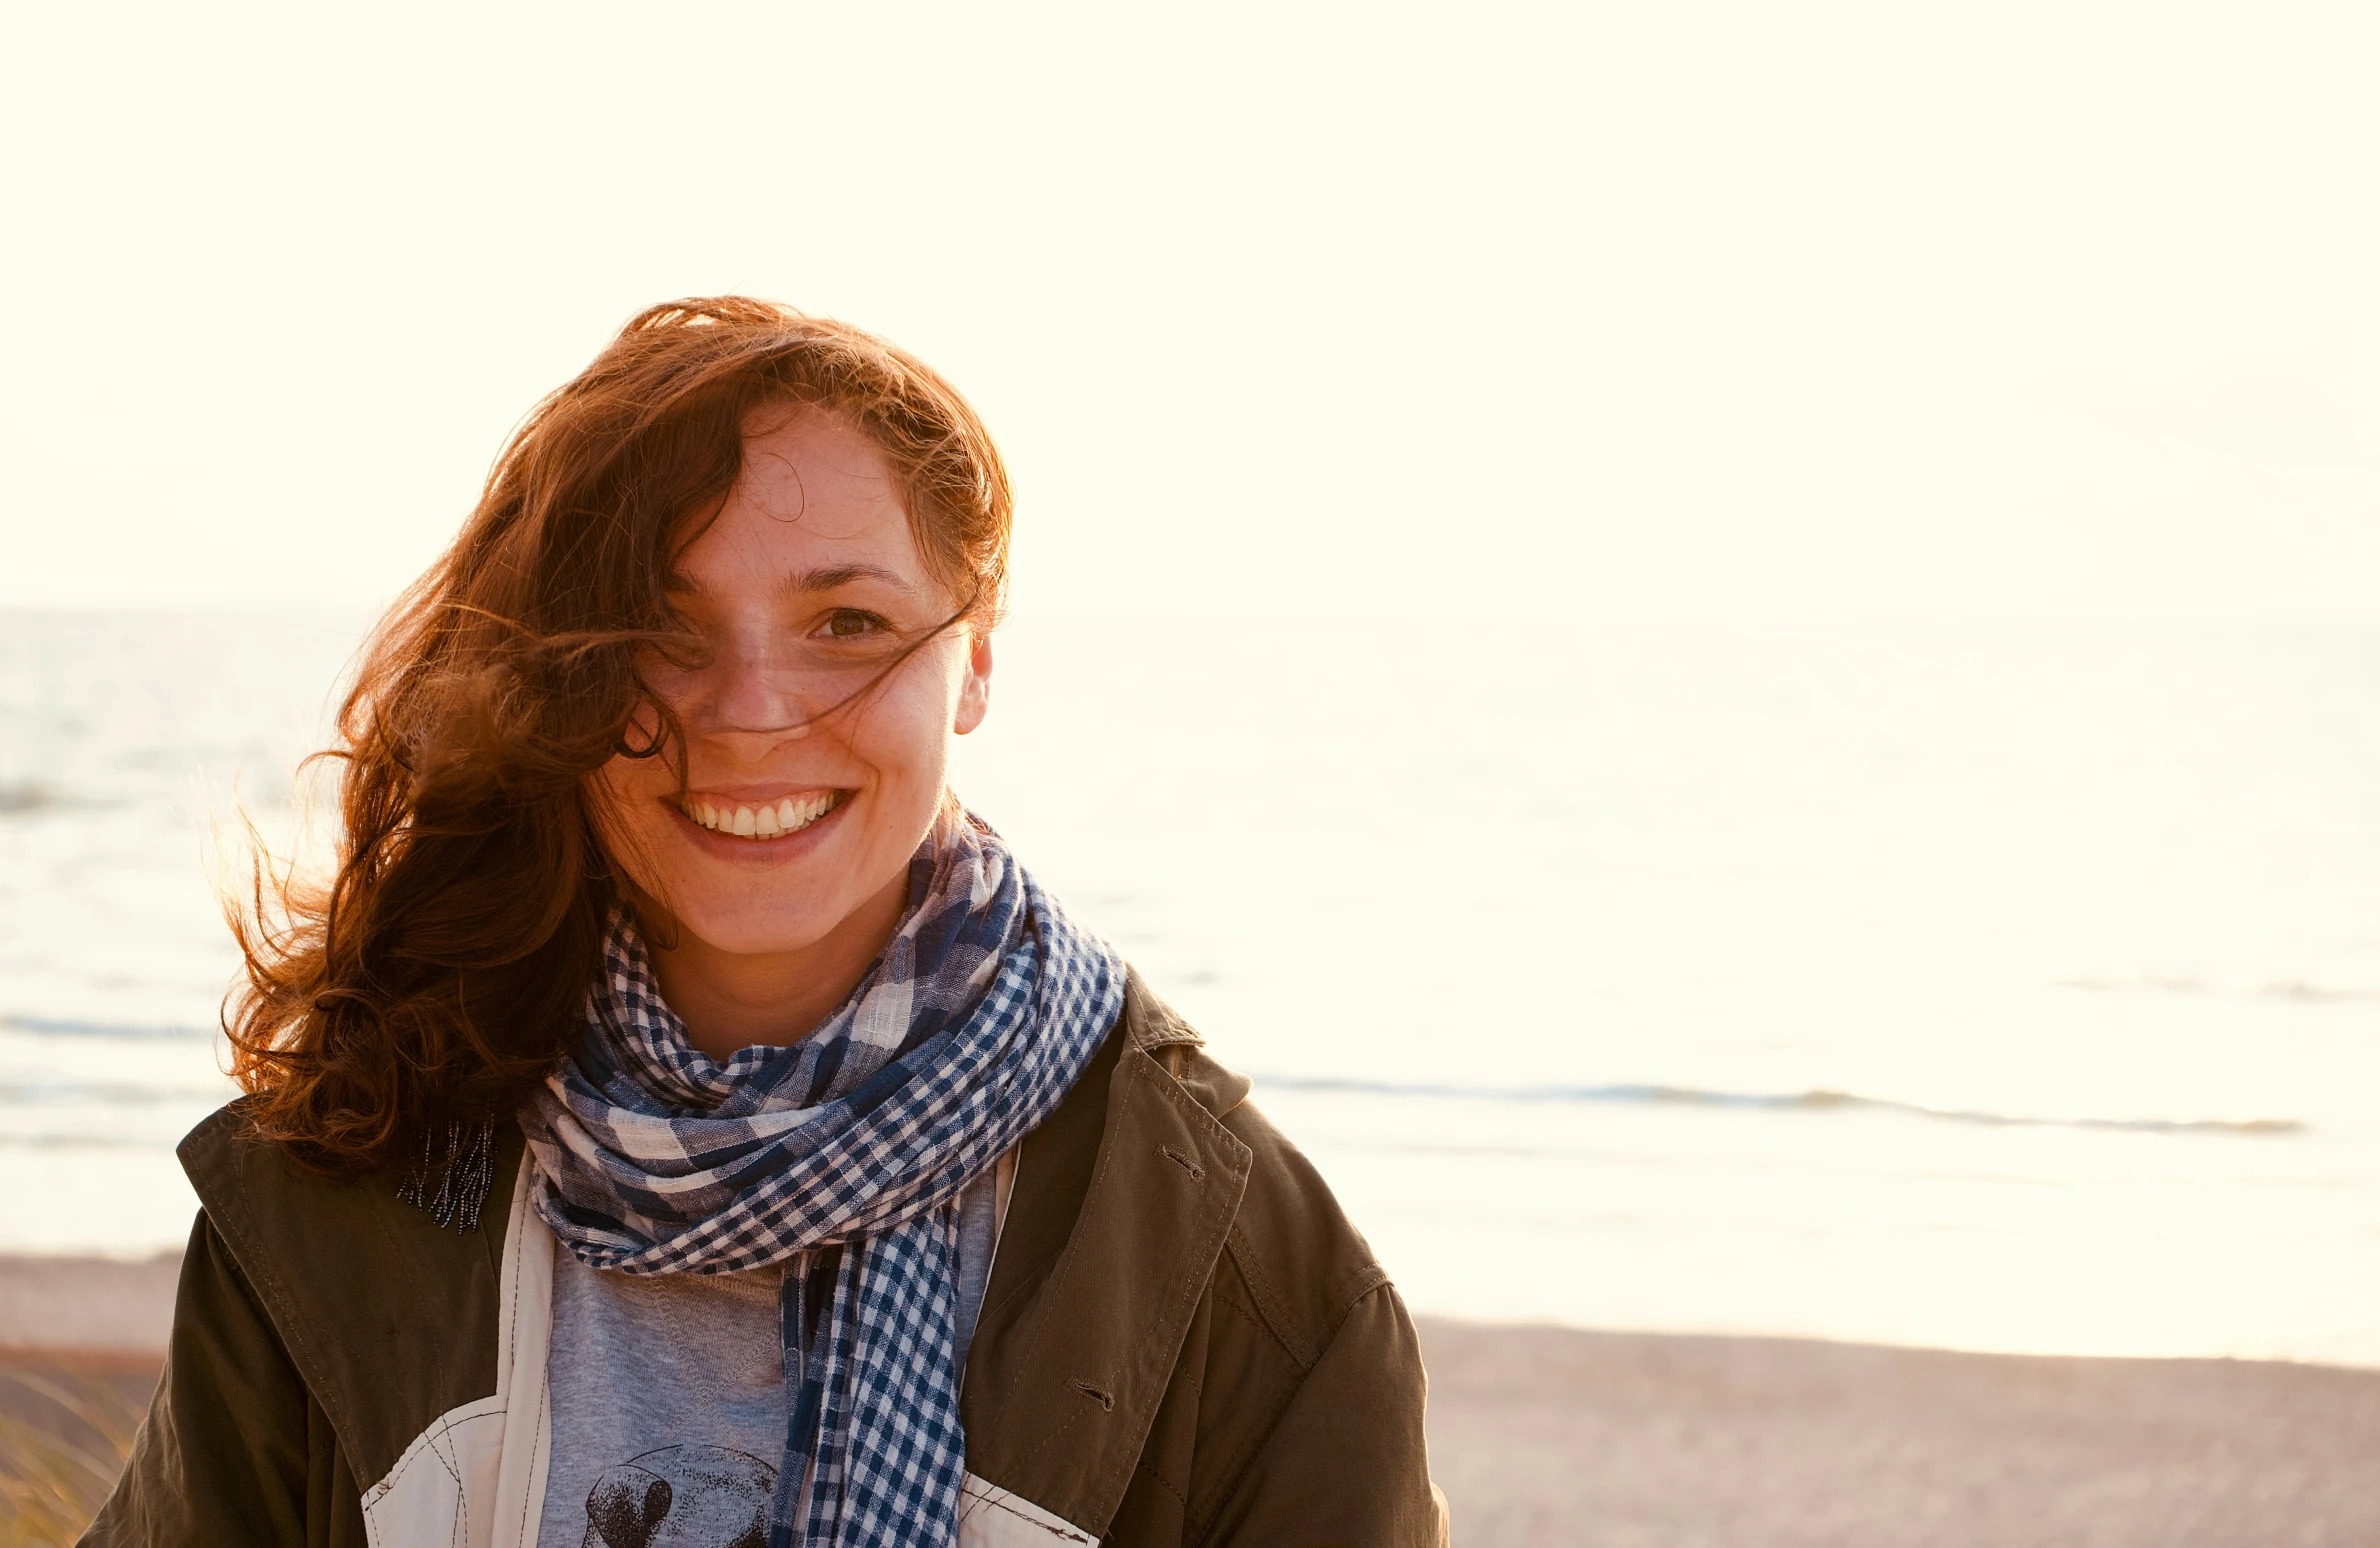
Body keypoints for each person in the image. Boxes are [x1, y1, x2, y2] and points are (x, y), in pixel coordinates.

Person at [86, 298, 1447, 1548]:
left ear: (973, 658)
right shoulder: (364, 1160)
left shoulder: (1251, 1272)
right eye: (662, 629)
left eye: (847, 622)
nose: (747, 712)